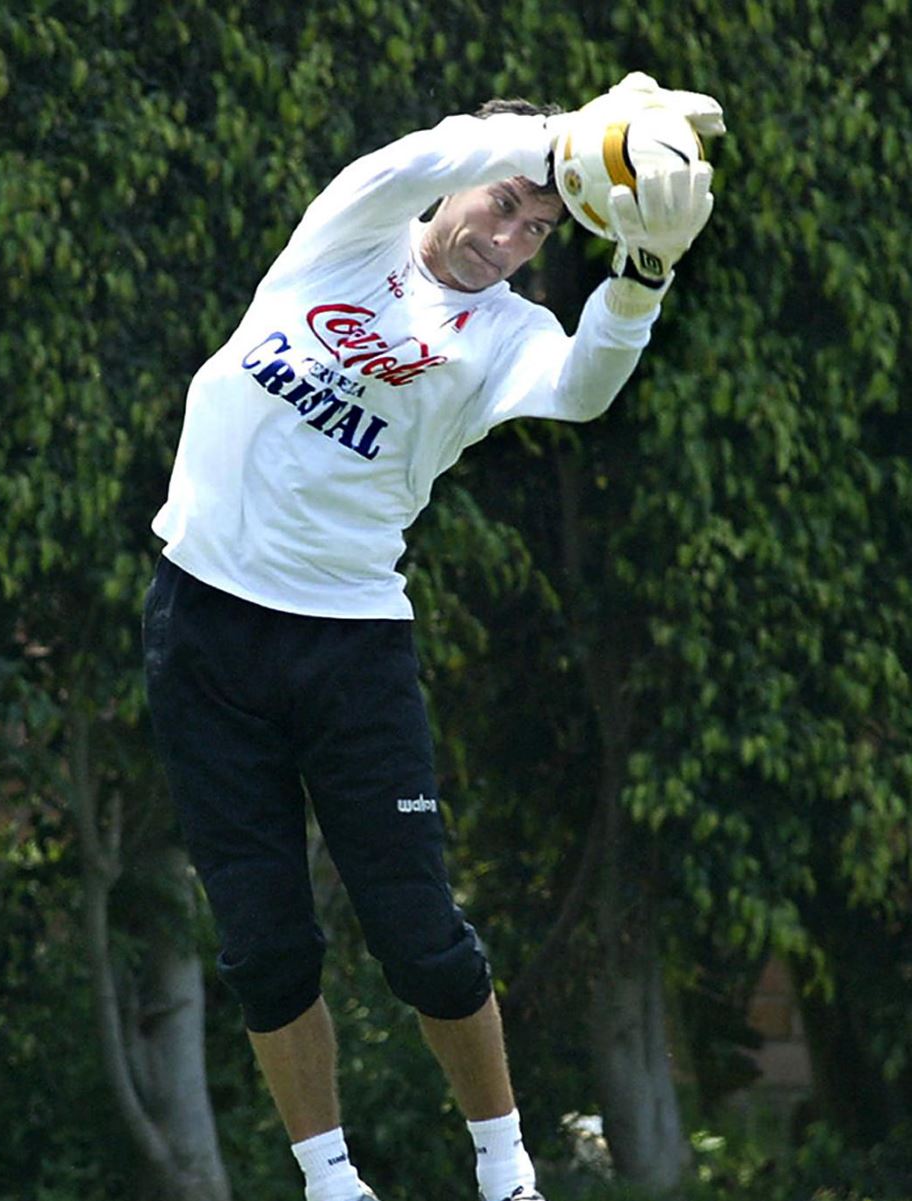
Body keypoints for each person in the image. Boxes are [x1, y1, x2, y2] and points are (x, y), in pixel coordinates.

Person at [141, 74, 723, 1201]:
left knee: (421, 937)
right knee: (265, 947)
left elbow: (584, 388)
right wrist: (566, 140)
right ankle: (330, 1182)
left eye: (537, 232)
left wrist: (643, 275)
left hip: (351, 648)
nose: (506, 241)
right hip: (202, 627)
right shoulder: (354, 230)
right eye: (504, 205)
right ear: (471, 177)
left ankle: (506, 1174)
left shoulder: (509, 332)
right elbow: (412, 162)